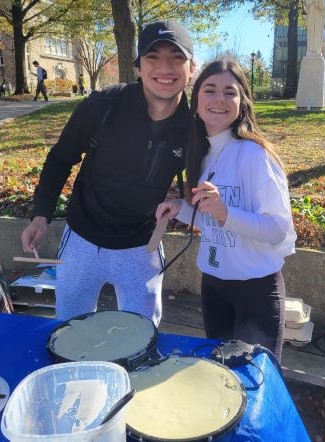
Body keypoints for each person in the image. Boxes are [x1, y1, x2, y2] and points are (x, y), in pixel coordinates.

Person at [21, 20, 195, 326]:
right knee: (69, 330)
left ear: (191, 68)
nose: (164, 69)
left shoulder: (196, 129)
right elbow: (60, 158)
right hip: (82, 242)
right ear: (139, 67)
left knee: (142, 339)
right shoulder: (103, 106)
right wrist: (41, 214)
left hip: (142, 249)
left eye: (176, 58)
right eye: (153, 57)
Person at [156, 59, 296, 360]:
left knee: (254, 381)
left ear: (242, 102)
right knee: (221, 377)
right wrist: (178, 207)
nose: (219, 99)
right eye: (209, 90)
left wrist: (225, 213)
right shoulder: (203, 155)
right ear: (196, 102)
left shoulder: (255, 154)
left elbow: (278, 229)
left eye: (229, 92)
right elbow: (210, 219)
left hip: (255, 291)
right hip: (214, 287)